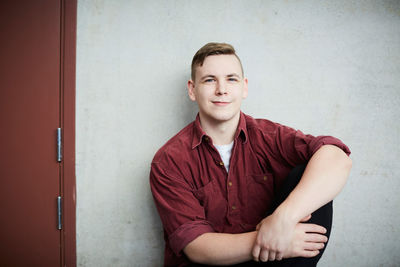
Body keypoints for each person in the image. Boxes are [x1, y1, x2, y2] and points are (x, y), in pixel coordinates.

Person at [150, 42, 352, 267]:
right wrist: (273, 240)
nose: (222, 89)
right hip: (210, 265)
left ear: (244, 87)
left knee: (309, 172)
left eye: (231, 79)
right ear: (192, 89)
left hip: (269, 263)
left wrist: (283, 219)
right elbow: (197, 247)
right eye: (209, 80)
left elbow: (337, 158)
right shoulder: (169, 160)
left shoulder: (268, 136)